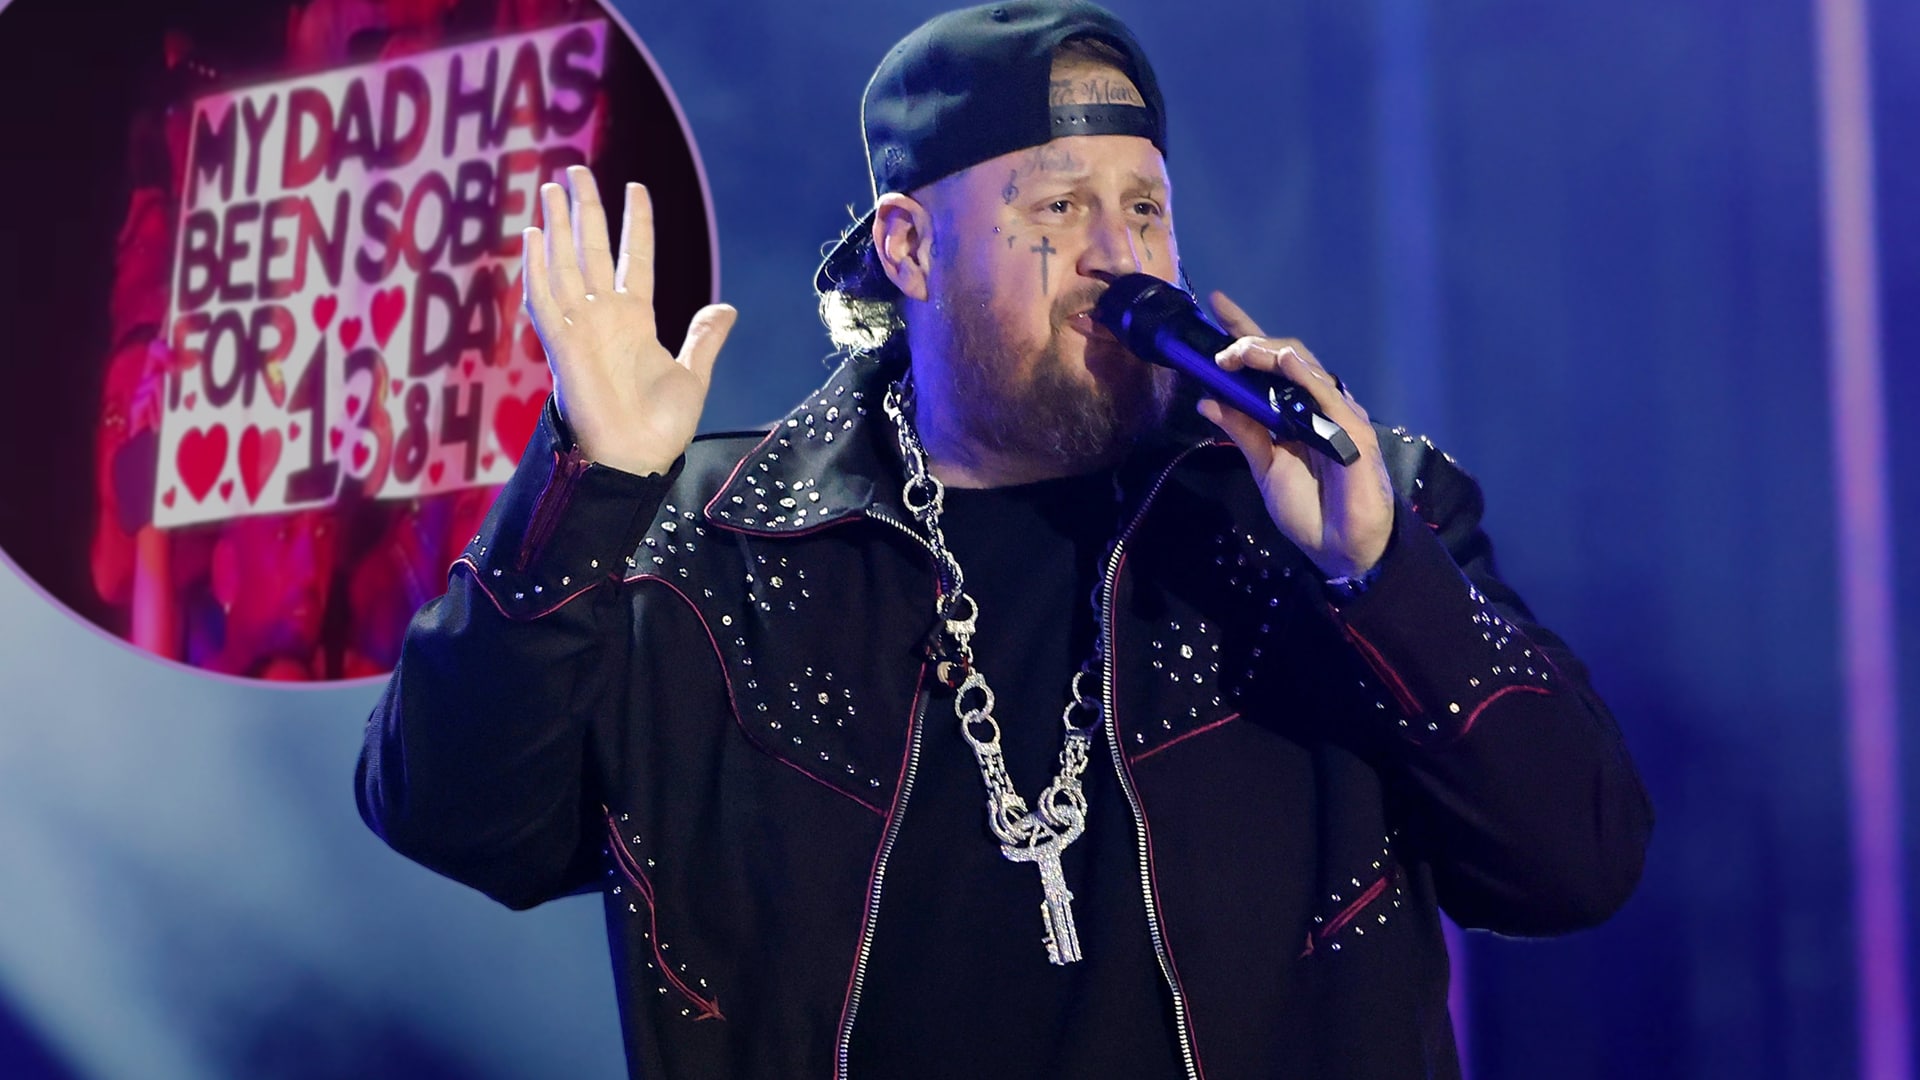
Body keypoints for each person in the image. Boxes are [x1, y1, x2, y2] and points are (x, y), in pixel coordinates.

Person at [356, 2, 1653, 1077]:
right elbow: (461, 819)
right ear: (910, 247)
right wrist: (592, 488)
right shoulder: (710, 548)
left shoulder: (1327, 516)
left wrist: (1381, 577)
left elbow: (1577, 866)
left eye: (1144, 212)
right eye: (1056, 212)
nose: (1119, 260)